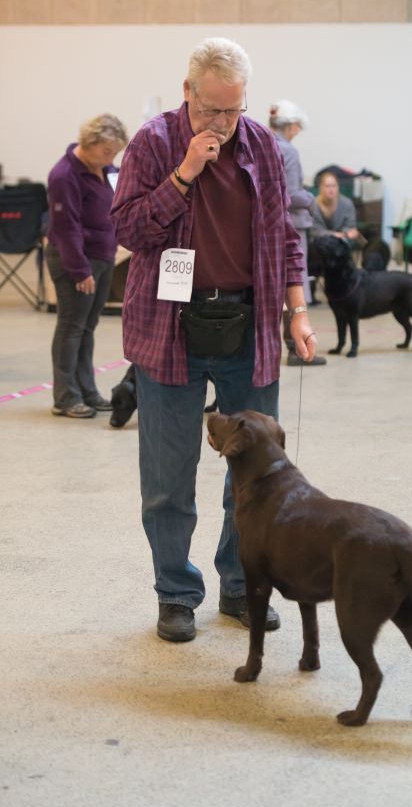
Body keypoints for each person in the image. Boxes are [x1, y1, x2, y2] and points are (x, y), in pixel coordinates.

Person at [111, 36, 319, 642]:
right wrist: (185, 173)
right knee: (168, 478)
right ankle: (175, 593)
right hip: (169, 329)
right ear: (188, 94)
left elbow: (286, 234)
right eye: (211, 112)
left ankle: (240, 586)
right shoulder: (153, 142)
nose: (223, 124)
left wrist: (297, 311)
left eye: (234, 110)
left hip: (249, 327)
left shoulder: (265, 147)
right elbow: (127, 228)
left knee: (255, 476)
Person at [47, 113, 128, 418]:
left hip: (103, 256)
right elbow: (66, 228)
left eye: (116, 152)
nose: (112, 158)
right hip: (75, 260)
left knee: (87, 328)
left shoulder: (105, 169)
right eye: (108, 151)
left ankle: (87, 391)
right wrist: (79, 270)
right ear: (90, 143)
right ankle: (66, 397)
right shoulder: (64, 175)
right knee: (71, 327)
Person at [269, 99, 326, 366]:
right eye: (296, 129)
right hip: (291, 225)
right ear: (291, 126)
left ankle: (289, 346)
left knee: (277, 288)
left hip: (269, 226)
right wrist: (312, 199)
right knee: (295, 284)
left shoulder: (263, 144)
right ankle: (297, 349)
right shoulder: (288, 151)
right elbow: (291, 194)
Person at [312, 170, 366, 252]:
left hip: (342, 243)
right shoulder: (313, 205)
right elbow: (313, 230)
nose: (331, 189)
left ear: (338, 187)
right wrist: (333, 234)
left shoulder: (347, 204)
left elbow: (350, 227)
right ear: (320, 187)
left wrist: (346, 233)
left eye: (334, 186)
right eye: (327, 186)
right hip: (319, 244)